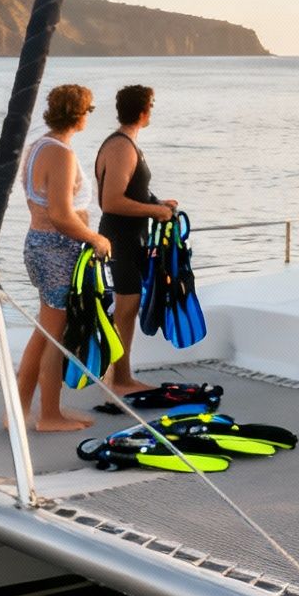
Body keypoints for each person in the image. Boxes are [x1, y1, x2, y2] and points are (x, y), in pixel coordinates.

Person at [14, 83, 111, 433]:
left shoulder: (39, 146)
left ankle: (21, 412)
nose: (89, 117)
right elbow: (59, 214)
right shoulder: (60, 153)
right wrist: (95, 238)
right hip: (56, 250)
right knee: (53, 335)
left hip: (41, 246)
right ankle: (48, 415)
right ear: (78, 113)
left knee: (44, 333)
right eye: (89, 110)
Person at [95, 84, 179, 394]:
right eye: (151, 106)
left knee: (128, 308)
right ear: (144, 112)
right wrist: (153, 211)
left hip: (131, 237)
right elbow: (111, 201)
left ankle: (119, 375)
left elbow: (134, 192)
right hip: (119, 238)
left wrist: (159, 205)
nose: (152, 111)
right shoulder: (121, 147)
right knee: (126, 308)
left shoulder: (127, 144)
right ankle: (119, 379)